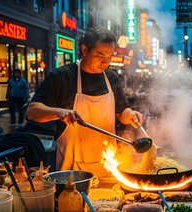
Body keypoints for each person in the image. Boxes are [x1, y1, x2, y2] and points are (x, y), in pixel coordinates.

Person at [26, 27, 143, 176]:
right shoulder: (62, 76)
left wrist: (131, 115)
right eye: (100, 55)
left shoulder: (112, 78)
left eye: (110, 56)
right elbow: (32, 111)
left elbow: (122, 112)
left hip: (108, 167)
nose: (105, 61)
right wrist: (59, 112)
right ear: (85, 49)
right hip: (72, 172)